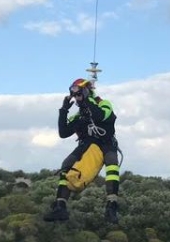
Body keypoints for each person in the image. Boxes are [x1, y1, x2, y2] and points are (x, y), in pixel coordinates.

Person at [43, 78, 121, 223]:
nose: (77, 98)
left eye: (80, 94)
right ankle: (60, 206)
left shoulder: (103, 104)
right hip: (87, 144)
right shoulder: (79, 115)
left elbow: (101, 116)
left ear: (86, 92)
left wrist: (86, 101)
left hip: (106, 143)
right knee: (67, 163)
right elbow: (64, 132)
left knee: (112, 162)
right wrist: (64, 110)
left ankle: (112, 206)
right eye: (75, 95)